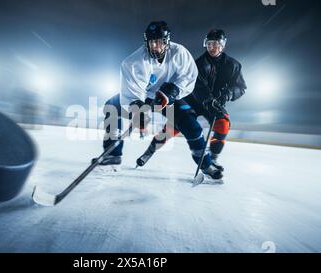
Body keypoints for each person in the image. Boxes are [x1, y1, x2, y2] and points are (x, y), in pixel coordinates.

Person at [95, 21, 223, 180]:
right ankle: (112, 157)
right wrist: (137, 110)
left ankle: (206, 164)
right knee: (111, 107)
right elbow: (131, 95)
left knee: (191, 125)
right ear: (146, 42)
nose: (155, 46)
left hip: (168, 98)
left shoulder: (179, 53)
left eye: (160, 42)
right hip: (144, 97)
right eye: (152, 42)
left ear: (167, 42)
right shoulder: (133, 63)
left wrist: (173, 91)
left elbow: (189, 77)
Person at [136, 29, 247, 175]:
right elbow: (197, 88)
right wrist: (209, 101)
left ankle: (213, 158)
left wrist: (229, 94)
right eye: (209, 44)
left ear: (223, 45)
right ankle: (148, 152)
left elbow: (241, 87)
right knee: (170, 130)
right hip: (193, 102)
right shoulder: (198, 64)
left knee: (223, 124)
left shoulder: (233, 65)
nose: (212, 47)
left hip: (214, 104)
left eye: (216, 44)